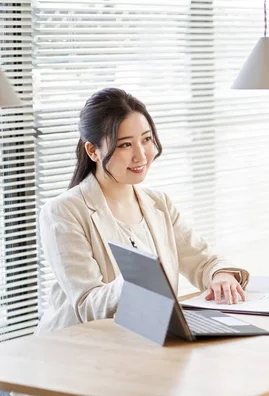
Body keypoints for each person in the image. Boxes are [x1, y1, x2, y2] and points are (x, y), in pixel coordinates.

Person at [36, 88, 249, 335]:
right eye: (125, 144)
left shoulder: (159, 203)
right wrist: (136, 280)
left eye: (146, 139)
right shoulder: (63, 211)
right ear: (93, 151)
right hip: (78, 347)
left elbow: (203, 260)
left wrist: (220, 275)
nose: (141, 155)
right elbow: (88, 305)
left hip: (142, 339)